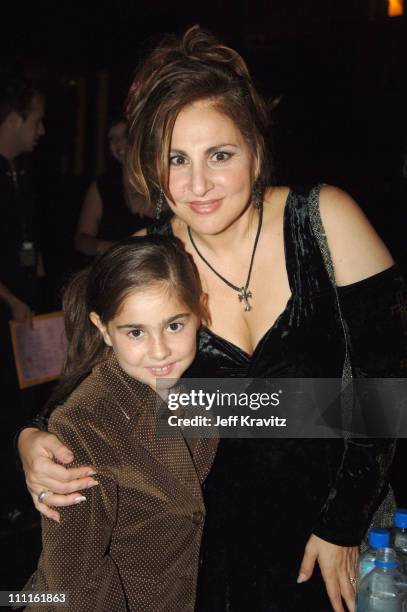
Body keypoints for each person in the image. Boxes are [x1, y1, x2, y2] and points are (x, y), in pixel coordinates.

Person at [18, 27, 406, 612]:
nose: (197, 186)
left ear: (255, 148)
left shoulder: (325, 219)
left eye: (220, 155)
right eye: (176, 159)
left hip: (333, 536)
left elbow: (387, 389)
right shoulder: (148, 260)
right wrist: (34, 435)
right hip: (206, 554)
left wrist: (343, 525)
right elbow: (96, 384)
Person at [20, 235, 214, 611]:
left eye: (174, 326)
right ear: (103, 328)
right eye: (136, 332)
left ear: (200, 311)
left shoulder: (199, 385)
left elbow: (312, 412)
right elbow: (69, 581)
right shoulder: (85, 425)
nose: (160, 350)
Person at [0, 75, 45, 525]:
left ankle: (18, 495)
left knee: (20, 403)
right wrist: (11, 300)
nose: (42, 129)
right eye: (36, 119)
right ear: (14, 118)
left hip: (23, 311)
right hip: (6, 312)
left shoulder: (23, 172)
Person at [74, 117, 152, 259]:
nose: (119, 143)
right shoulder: (103, 185)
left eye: (125, 135)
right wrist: (110, 248)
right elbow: (81, 240)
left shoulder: (162, 182)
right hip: (113, 273)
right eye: (112, 138)